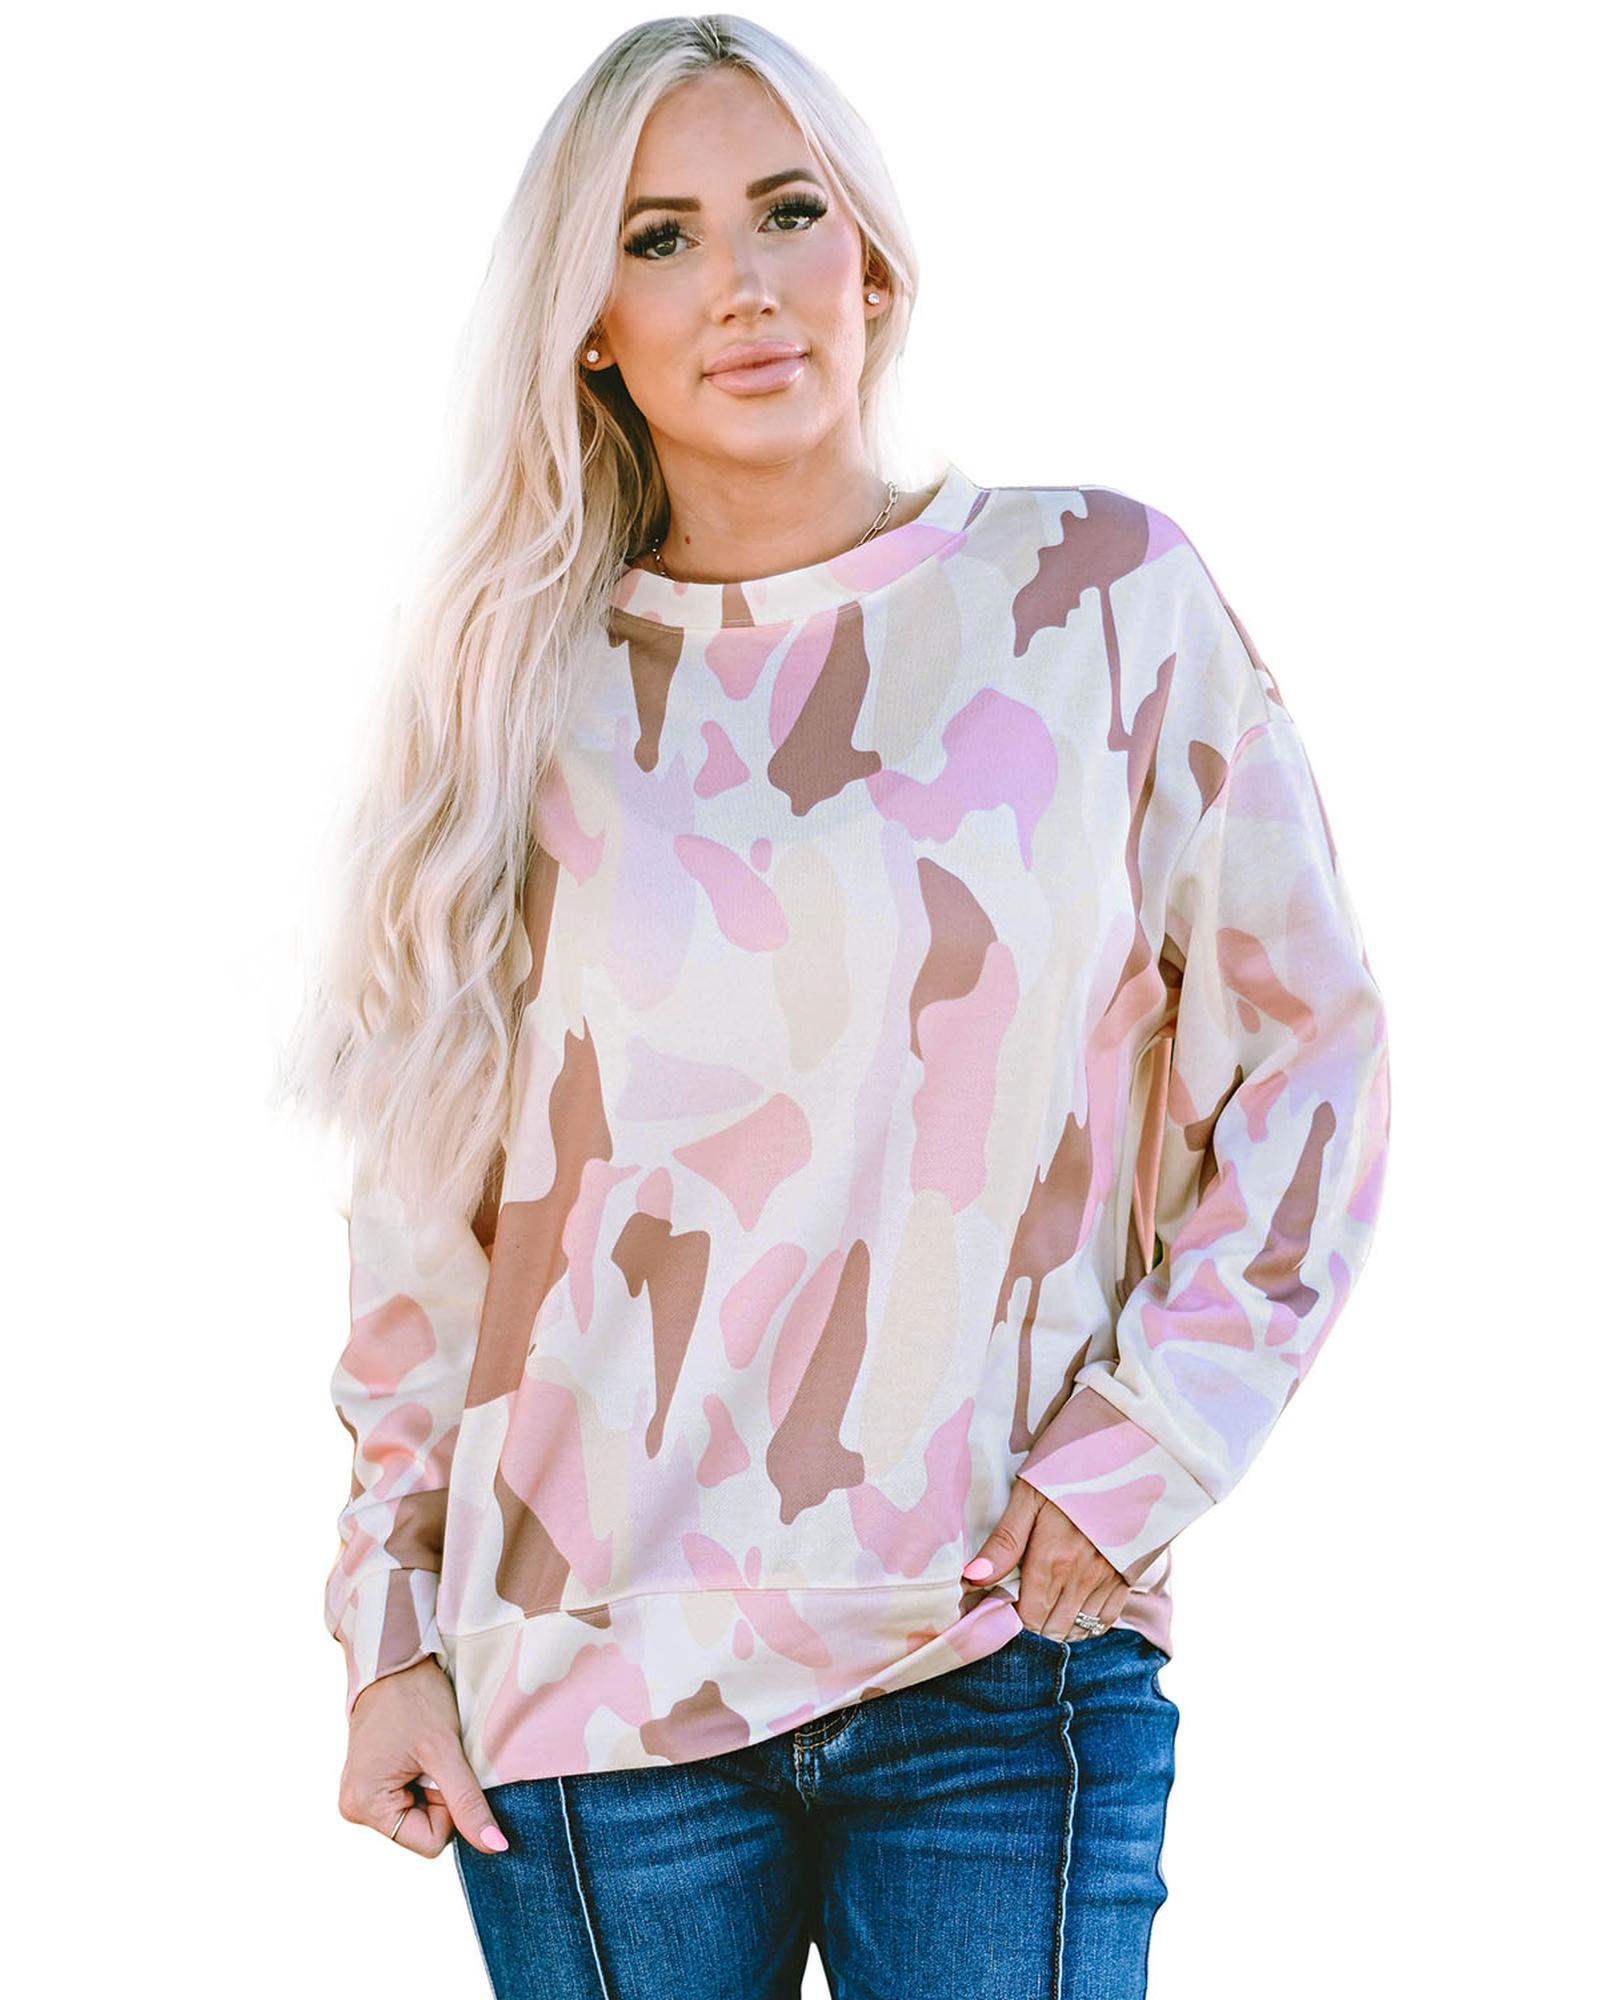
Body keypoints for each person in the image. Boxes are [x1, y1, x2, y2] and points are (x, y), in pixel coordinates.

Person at [275, 15, 1390, 1998]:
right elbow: (426, 1218)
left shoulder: (1099, 596)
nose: (743, 282)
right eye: (661, 238)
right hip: (590, 1689)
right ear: (590, 327)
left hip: (997, 1649)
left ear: (868, 257)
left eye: (787, 212)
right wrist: (389, 1631)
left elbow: (1306, 1058)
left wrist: (1138, 1452)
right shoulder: (512, 689)